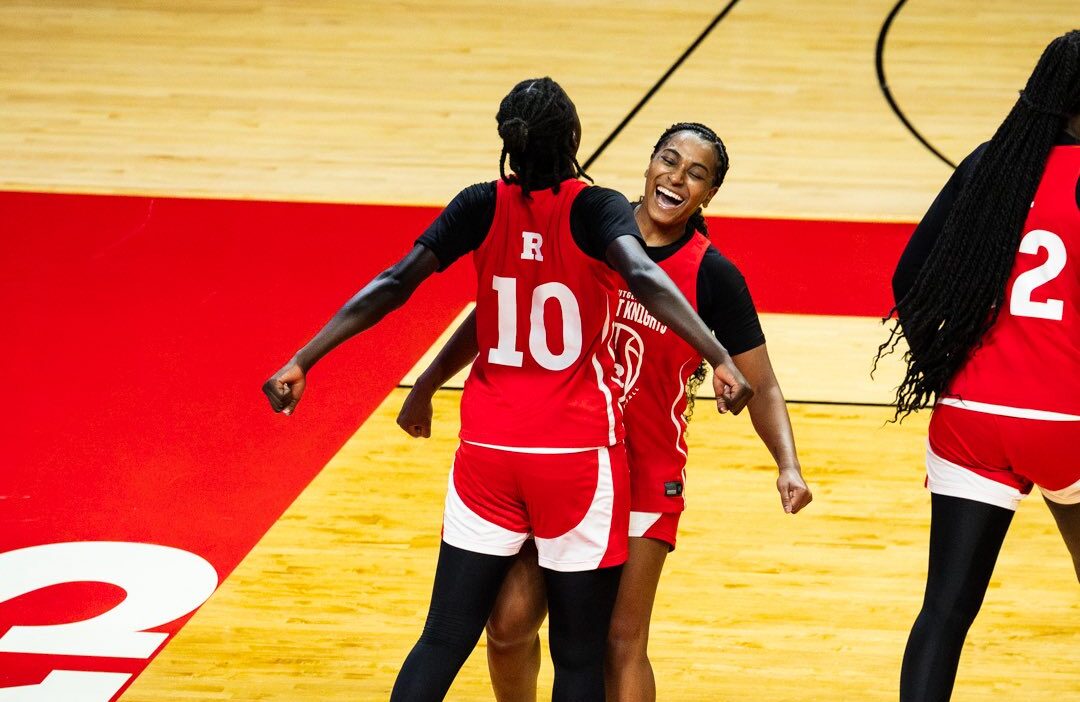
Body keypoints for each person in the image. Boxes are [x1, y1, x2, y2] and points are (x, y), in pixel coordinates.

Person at [263, 78, 753, 702]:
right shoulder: (596, 208)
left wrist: (304, 358)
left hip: (487, 454)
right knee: (581, 656)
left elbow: (394, 284)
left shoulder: (479, 205)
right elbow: (644, 277)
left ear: (507, 142)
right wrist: (717, 355)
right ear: (574, 139)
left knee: (443, 637)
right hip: (575, 458)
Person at [397, 122, 812, 702]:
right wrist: (431, 380)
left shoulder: (711, 273)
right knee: (508, 625)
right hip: (560, 458)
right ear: (648, 164)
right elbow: (499, 312)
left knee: (619, 640)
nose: (677, 178)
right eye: (669, 161)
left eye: (697, 174)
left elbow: (760, 383)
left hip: (644, 473)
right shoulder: (593, 228)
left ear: (709, 196)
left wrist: (787, 464)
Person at [879, 31, 1080, 702]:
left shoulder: (991, 165)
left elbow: (909, 278)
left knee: (944, 613)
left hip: (973, 415)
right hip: (1068, 418)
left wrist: (944, 371)